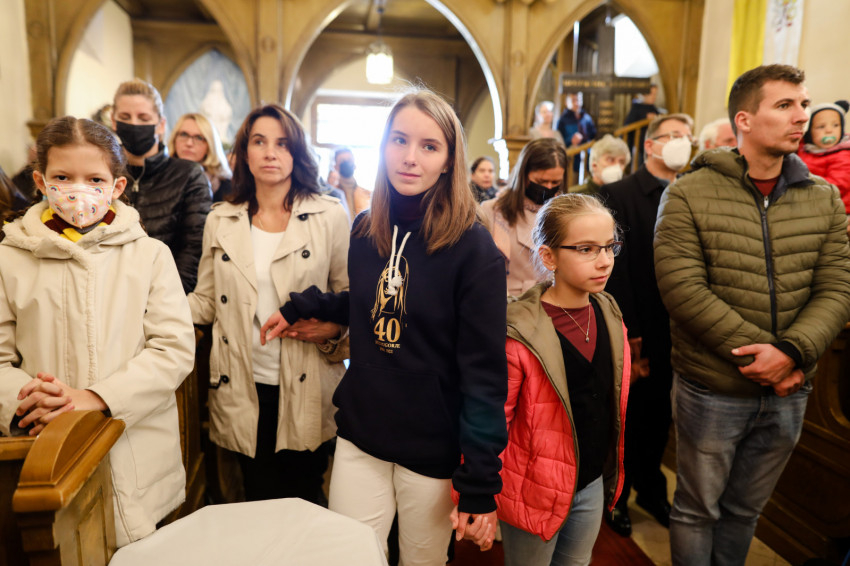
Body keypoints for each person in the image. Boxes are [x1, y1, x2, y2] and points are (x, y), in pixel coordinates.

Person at [267, 89, 509, 564]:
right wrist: (306, 306)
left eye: (429, 146)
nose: (410, 157)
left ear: (449, 160)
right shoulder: (365, 230)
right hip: (363, 431)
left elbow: (484, 375)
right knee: (348, 556)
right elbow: (369, 301)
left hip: (431, 444)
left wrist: (480, 482)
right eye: (399, 140)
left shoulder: (474, 249)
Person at [654, 64, 850, 566]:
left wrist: (790, 353)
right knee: (698, 509)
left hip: (790, 388)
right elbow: (683, 289)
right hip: (714, 387)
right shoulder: (688, 192)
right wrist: (763, 358)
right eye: (784, 105)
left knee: (744, 512)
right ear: (743, 119)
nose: (801, 116)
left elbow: (837, 287)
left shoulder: (823, 197)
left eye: (804, 104)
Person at [0, 116, 195, 547]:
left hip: (135, 446)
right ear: (40, 180)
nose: (78, 191)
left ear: (117, 187)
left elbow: (173, 349)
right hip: (47, 445)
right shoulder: (9, 259)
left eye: (94, 179)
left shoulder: (150, 255)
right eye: (62, 178)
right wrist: (33, 401)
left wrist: (96, 398)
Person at [187, 104, 350, 504]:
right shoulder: (221, 219)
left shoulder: (329, 215)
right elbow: (205, 301)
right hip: (243, 382)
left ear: (297, 152)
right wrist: (147, 310)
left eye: (282, 143)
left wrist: (332, 329)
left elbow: (351, 297)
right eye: (259, 142)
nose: (270, 153)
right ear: (244, 153)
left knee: (305, 498)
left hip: (307, 379)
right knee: (255, 497)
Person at [497, 193, 631, 566]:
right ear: (549, 256)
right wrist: (478, 491)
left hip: (589, 480)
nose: (604, 261)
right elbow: (494, 418)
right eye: (586, 249)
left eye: (609, 247)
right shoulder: (520, 330)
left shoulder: (608, 311)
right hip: (535, 486)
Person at [597, 112, 694, 537]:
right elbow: (617, 268)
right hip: (636, 321)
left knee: (659, 417)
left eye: (686, 136)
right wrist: (631, 332)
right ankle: (617, 495)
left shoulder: (690, 190)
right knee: (627, 416)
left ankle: (652, 490)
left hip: (680, 326)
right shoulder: (619, 193)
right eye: (672, 135)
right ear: (650, 145)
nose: (681, 142)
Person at [112, 78, 212, 293]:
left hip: (166, 297)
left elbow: (193, 251)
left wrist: (161, 301)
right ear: (114, 121)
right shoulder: (103, 175)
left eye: (144, 118)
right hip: (110, 296)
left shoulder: (188, 175)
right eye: (125, 117)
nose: (134, 124)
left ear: (161, 124)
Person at [481, 137, 568, 298]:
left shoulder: (567, 213)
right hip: (508, 302)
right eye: (541, 181)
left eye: (555, 182)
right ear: (524, 175)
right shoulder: (492, 210)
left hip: (553, 301)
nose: (548, 187)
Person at [796, 101, 850, 215]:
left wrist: (804, 187)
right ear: (809, 132)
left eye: (836, 125)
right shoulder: (805, 148)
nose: (829, 130)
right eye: (821, 126)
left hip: (839, 210)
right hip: (814, 204)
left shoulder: (843, 155)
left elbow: (837, 186)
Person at [168, 112, 234, 203]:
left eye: (199, 138)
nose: (189, 143)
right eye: (184, 134)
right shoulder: (159, 178)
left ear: (210, 145)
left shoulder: (227, 188)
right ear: (174, 139)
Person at [557, 92, 596, 174]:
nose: (576, 103)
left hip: (587, 157)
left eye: (578, 100)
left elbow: (593, 135)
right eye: (573, 100)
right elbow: (559, 140)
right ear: (567, 102)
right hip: (571, 158)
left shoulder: (587, 118)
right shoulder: (563, 120)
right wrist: (570, 140)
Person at [623, 84, 661, 165]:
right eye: (651, 94)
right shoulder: (637, 107)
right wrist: (645, 118)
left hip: (651, 141)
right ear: (644, 94)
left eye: (655, 94)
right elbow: (628, 124)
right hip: (639, 144)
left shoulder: (653, 108)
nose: (654, 97)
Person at [330, 147, 371, 218]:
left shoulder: (368, 195)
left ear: (355, 165)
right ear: (335, 167)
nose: (346, 163)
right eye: (342, 161)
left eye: (349, 160)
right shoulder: (331, 195)